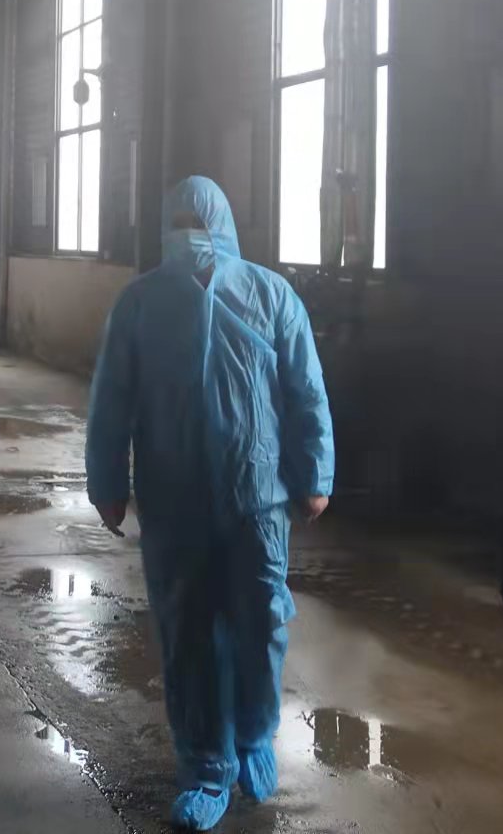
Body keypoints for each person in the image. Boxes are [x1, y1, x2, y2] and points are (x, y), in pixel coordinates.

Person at [87, 176, 332, 831]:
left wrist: (316, 472)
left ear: (222, 224)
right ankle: (204, 767)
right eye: (177, 222)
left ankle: (254, 733)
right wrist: (106, 481)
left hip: (258, 497)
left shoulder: (269, 294)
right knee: (188, 632)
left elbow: (305, 389)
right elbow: (112, 397)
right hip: (174, 500)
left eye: (198, 222)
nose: (188, 233)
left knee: (263, 622)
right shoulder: (140, 303)